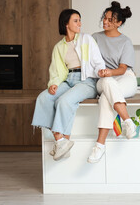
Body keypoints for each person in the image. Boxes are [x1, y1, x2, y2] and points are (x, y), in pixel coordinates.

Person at [32, 9, 106, 161]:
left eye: (80, 20)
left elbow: (98, 62)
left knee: (64, 101)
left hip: (87, 81)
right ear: (66, 24)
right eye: (76, 20)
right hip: (68, 80)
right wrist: (53, 84)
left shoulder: (86, 39)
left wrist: (101, 72)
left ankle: (63, 140)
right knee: (44, 97)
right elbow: (56, 70)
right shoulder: (59, 47)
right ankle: (60, 141)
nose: (80, 23)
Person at [87, 1, 137, 163]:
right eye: (105, 18)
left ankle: (99, 146)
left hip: (124, 78)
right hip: (103, 79)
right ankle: (127, 121)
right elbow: (89, 62)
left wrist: (110, 72)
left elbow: (122, 69)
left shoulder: (125, 42)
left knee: (105, 99)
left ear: (119, 23)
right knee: (108, 84)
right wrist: (103, 72)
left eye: (110, 20)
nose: (105, 22)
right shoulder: (95, 38)